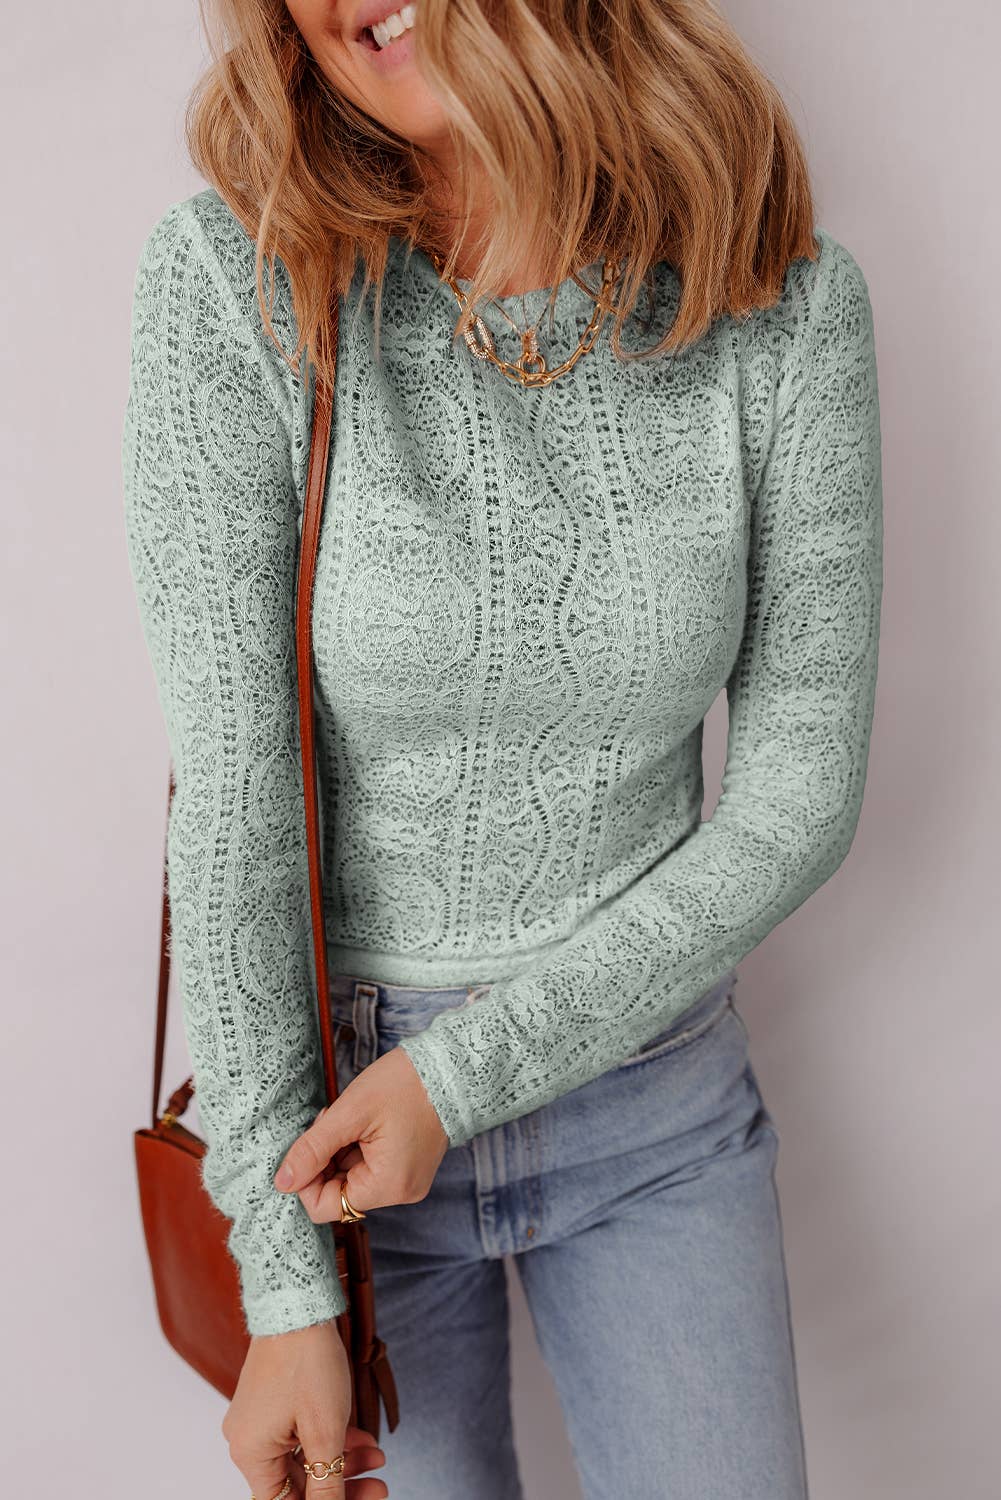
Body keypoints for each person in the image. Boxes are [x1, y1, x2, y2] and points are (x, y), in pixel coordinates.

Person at [121, 1, 883, 1496]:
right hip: (333, 1150)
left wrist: (460, 1080)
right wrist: (283, 1285)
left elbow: (799, 793)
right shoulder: (238, 280)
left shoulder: (777, 303)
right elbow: (234, 808)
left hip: (653, 1109)